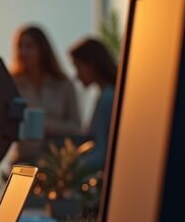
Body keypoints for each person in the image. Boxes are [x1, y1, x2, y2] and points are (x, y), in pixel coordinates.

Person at [11, 24, 80, 163]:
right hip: (23, 161)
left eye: (29, 46)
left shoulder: (64, 84)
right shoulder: (12, 84)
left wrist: (46, 126)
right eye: (20, 47)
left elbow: (77, 127)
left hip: (56, 165)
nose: (23, 52)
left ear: (42, 49)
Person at [68, 36, 118, 173]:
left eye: (78, 66)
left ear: (92, 65)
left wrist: (69, 170)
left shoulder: (108, 98)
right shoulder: (105, 94)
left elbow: (101, 151)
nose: (76, 76)